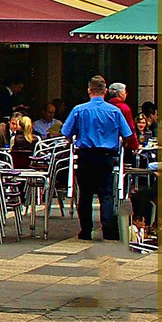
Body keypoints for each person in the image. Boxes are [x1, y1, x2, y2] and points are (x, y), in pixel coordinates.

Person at [63, 75, 135, 241]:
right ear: (106, 91)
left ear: (89, 91)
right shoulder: (114, 111)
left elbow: (67, 133)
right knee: (106, 194)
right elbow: (127, 134)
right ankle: (108, 230)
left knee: (86, 194)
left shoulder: (79, 110)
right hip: (106, 156)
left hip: (86, 155)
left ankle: (86, 231)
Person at [107, 83, 141, 154]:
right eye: (125, 92)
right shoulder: (124, 108)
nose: (126, 94)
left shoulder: (106, 107)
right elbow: (130, 128)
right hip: (121, 144)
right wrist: (135, 145)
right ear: (120, 94)